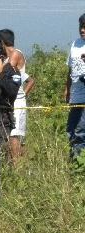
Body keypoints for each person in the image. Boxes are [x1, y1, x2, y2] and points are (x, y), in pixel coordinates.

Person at [0, 29, 35, 163]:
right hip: (7, 102)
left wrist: (22, 96)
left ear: (1, 42)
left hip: (16, 102)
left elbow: (5, 73)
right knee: (7, 136)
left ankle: (18, 168)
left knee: (14, 136)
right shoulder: (5, 58)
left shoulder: (15, 54)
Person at [65, 13, 85, 161]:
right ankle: (74, 160)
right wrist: (67, 89)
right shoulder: (75, 44)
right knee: (71, 130)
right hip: (76, 94)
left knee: (81, 130)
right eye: (81, 26)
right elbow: (71, 70)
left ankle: (79, 164)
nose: (82, 30)